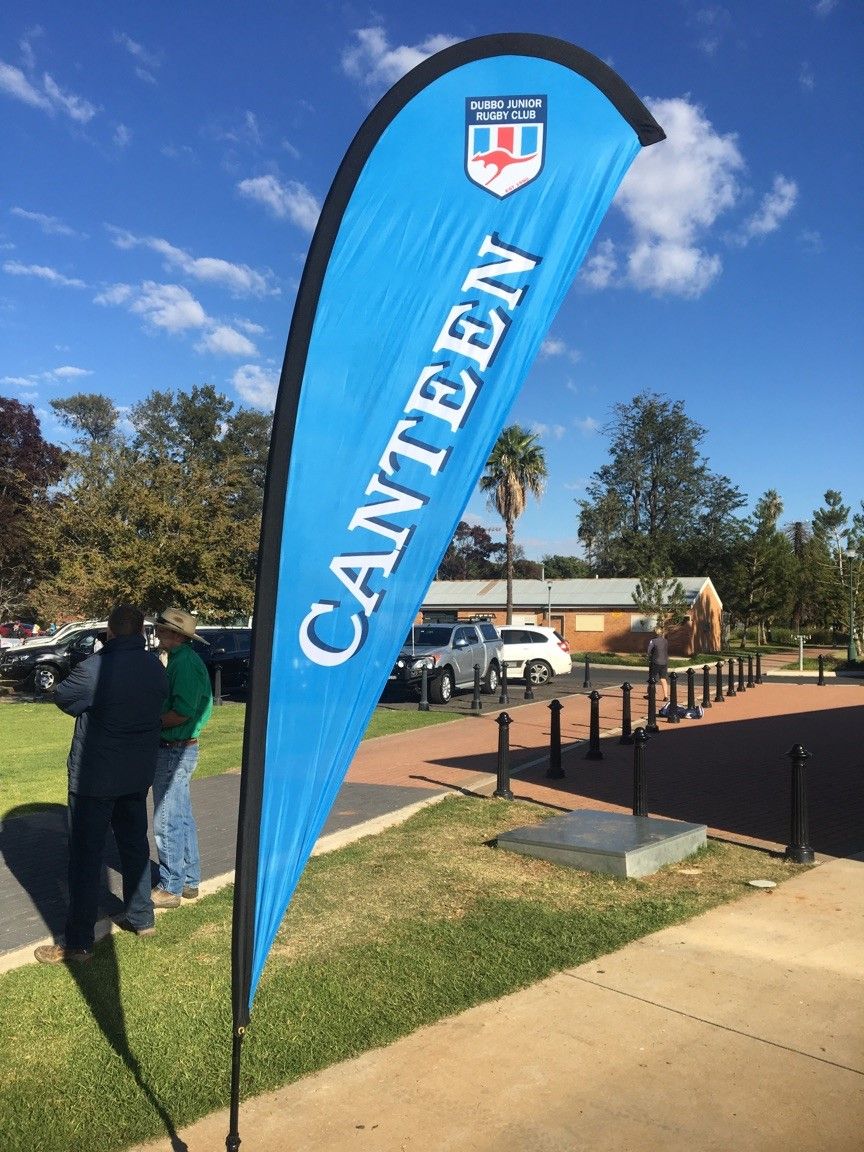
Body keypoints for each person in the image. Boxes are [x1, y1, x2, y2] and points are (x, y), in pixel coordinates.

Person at [34, 604, 168, 964]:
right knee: (134, 845)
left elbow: (64, 698)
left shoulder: (94, 668)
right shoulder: (154, 667)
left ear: (109, 631)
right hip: (135, 774)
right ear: (140, 631)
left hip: (95, 778)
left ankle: (79, 942)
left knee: (85, 855)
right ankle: (142, 918)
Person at [151, 607, 213, 908]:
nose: (157, 632)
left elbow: (183, 711)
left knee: (167, 820)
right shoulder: (181, 659)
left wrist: (149, 722)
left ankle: (171, 886)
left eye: (162, 629)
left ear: (175, 634)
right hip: (181, 747)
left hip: (174, 748)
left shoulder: (184, 663)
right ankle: (188, 879)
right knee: (180, 816)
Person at [646, 630, 669, 701]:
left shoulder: (653, 641)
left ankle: (651, 694)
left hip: (655, 661)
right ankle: (665, 696)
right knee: (663, 678)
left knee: (652, 678)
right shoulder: (665, 641)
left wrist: (649, 655)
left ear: (655, 634)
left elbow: (648, 651)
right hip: (664, 662)